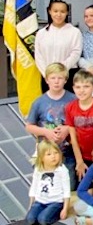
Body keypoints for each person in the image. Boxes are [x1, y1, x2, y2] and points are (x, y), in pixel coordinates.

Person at [26, 62, 76, 190]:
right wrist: (45, 132)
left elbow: (80, 123)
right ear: (46, 80)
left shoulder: (73, 99)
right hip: (45, 154)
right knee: (46, 188)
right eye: (53, 78)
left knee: (68, 189)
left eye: (60, 78)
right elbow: (29, 126)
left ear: (65, 80)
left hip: (67, 153)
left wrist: (67, 128)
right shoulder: (39, 102)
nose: (56, 81)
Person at [65, 70, 93, 182]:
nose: (82, 90)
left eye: (86, 86)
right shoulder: (69, 108)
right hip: (83, 155)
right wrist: (79, 161)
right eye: (78, 87)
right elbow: (73, 138)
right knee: (86, 189)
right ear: (73, 88)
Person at [35, 0, 83, 91]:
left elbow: (76, 53)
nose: (58, 14)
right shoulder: (41, 33)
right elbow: (38, 56)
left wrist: (61, 71)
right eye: (55, 11)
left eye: (62, 11)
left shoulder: (74, 32)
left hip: (68, 75)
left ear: (67, 13)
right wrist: (47, 74)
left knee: (69, 104)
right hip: (47, 77)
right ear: (50, 12)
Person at [26, 140, 70, 225]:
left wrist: (65, 209)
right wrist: (31, 205)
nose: (53, 157)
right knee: (30, 219)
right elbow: (34, 187)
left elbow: (66, 190)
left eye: (56, 153)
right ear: (42, 157)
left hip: (56, 202)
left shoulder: (61, 170)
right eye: (49, 154)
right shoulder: (38, 169)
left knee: (43, 220)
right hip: (40, 201)